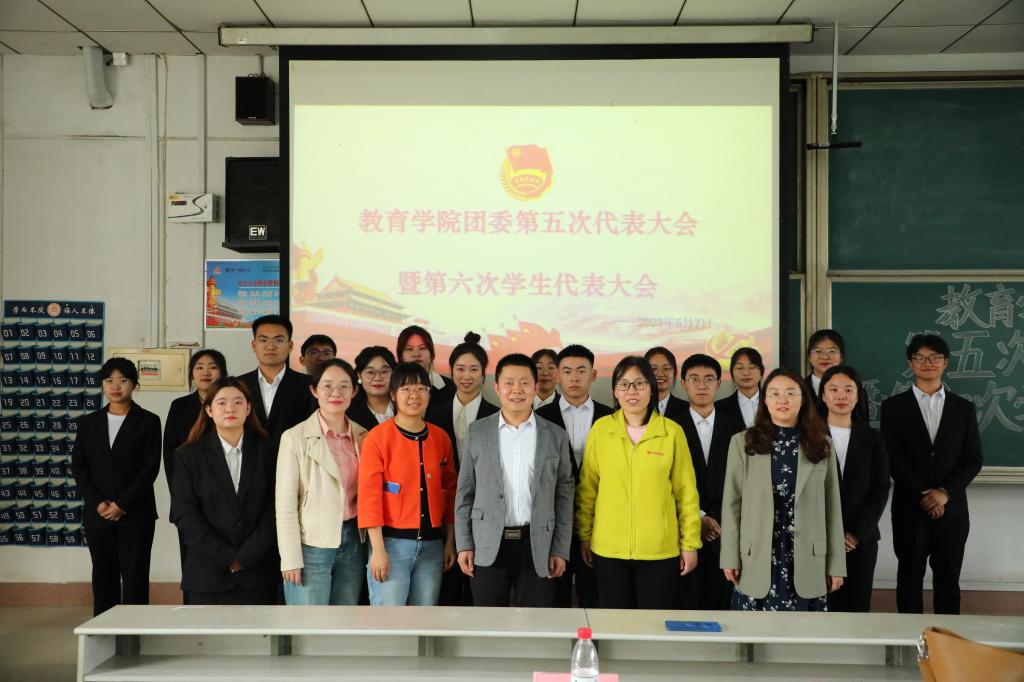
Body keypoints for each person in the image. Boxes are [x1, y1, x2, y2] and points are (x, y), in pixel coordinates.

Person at [576, 356, 701, 609]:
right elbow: (588, 489)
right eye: (624, 384)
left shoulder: (671, 432)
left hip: (659, 551)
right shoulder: (601, 430)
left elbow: (686, 494)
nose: (631, 391)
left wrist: (690, 544)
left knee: (654, 624)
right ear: (615, 391)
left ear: (651, 388)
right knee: (613, 622)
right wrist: (584, 535)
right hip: (608, 549)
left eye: (639, 384)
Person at [454, 353, 575, 607]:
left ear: (536, 387)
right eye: (508, 383)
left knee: (534, 622)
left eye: (524, 383)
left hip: (538, 545)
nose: (516, 390)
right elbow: (465, 492)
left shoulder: (556, 435)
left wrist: (560, 548)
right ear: (497, 387)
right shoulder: (478, 432)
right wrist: (464, 544)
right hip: (487, 543)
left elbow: (564, 496)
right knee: (488, 622)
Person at [720, 368, 846, 612]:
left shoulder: (822, 444)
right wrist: (730, 557)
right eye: (775, 393)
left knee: (805, 631)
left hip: (807, 557)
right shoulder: (743, 442)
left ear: (803, 399)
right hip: (757, 555)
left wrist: (836, 564)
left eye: (790, 393)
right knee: (755, 632)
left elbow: (833, 508)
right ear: (765, 400)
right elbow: (732, 505)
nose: (783, 400)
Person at [881, 334, 982, 615]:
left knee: (948, 581)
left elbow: (973, 459)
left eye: (935, 357)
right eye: (921, 357)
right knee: (909, 579)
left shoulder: (963, 408)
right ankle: (908, 639)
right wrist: (923, 494)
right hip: (909, 508)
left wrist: (944, 493)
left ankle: (946, 640)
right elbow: (891, 457)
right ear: (910, 363)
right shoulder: (893, 407)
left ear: (945, 363)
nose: (928, 362)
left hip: (952, 509)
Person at [358, 362, 457, 605]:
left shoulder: (441, 438)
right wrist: (378, 550)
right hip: (392, 545)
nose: (415, 395)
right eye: (406, 389)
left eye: (421, 388)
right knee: (389, 620)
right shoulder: (377, 438)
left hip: (433, 546)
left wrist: (450, 543)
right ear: (393, 395)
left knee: (424, 619)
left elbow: (452, 493)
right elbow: (370, 498)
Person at [171, 378, 278, 605]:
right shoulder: (189, 456)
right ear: (209, 410)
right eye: (222, 403)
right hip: (207, 575)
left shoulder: (268, 451)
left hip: (258, 573)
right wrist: (227, 557)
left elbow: (275, 509)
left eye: (238, 402)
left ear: (248, 408)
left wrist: (246, 556)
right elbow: (185, 513)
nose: (230, 408)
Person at [71, 357, 161, 616]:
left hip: (136, 514)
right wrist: (97, 503)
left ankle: (133, 632)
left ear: (134, 384)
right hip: (97, 514)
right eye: (109, 380)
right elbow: (79, 467)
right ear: (102, 384)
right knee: (103, 576)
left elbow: (149, 469)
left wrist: (122, 504)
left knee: (135, 577)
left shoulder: (148, 421)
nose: (116, 386)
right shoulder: (88, 423)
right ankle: (104, 630)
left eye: (123, 380)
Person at [277, 359, 368, 605]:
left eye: (344, 386)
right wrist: (290, 558)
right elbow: (285, 505)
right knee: (309, 621)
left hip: (354, 541)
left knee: (345, 618)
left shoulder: (364, 436)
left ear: (354, 391)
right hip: (311, 545)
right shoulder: (294, 438)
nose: (335, 393)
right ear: (314, 390)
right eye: (327, 386)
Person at [535, 344, 613, 608]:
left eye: (582, 371)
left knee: (596, 598)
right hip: (554, 521)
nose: (574, 377)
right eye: (567, 371)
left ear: (594, 375)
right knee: (553, 598)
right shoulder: (540, 418)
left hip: (601, 520)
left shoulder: (611, 417)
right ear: (558, 375)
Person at [425, 332, 499, 606]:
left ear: (484, 373)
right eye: (460, 369)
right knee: (446, 587)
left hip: (483, 509)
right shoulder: (432, 414)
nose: (466, 376)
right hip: (439, 507)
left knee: (480, 584)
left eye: (473, 369)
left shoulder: (497, 416)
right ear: (451, 370)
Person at [819, 365, 890, 613]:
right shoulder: (808, 437)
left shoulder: (873, 439)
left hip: (860, 541)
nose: (841, 395)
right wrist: (829, 535)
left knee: (857, 609)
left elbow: (880, 488)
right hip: (817, 541)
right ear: (823, 395)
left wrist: (855, 533)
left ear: (858, 396)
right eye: (834, 389)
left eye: (849, 390)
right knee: (821, 609)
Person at [676, 353, 745, 610]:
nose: (702, 385)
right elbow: (667, 482)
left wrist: (715, 517)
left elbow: (741, 482)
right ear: (683, 383)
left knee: (720, 605)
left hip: (724, 530)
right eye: (694, 379)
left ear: (719, 383)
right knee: (684, 603)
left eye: (708, 379)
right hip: (682, 530)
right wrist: (699, 517)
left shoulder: (737, 428)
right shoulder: (670, 427)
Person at [162, 348, 227, 602]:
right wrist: (182, 499)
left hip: (226, 499)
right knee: (193, 562)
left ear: (222, 373)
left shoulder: (231, 404)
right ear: (191, 374)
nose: (206, 372)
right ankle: (192, 609)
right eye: (199, 367)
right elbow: (170, 456)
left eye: (213, 367)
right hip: (191, 500)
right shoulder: (180, 407)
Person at [238, 314, 315, 459]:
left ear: (290, 346)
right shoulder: (238, 385)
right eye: (263, 340)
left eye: (278, 340)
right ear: (254, 345)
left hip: (295, 462)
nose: (270, 346)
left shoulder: (309, 385)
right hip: (248, 463)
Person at [397, 324, 455, 404]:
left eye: (422, 348)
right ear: (401, 356)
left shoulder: (451, 388)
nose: (416, 354)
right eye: (409, 349)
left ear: (431, 354)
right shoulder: (392, 385)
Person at [348, 346, 397, 432]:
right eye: (370, 372)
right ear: (359, 375)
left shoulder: (406, 403)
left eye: (384, 372)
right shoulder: (349, 412)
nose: (377, 378)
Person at [715, 347, 764, 428]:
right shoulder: (719, 408)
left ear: (761, 373)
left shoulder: (775, 403)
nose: (746, 373)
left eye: (752, 367)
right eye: (740, 368)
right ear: (732, 374)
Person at [644, 346, 688, 425]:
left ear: (674, 373)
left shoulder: (688, 409)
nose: (660, 374)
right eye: (653, 369)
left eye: (666, 369)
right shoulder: (633, 407)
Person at [806, 329, 845, 396]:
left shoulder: (855, 389)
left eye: (832, 351)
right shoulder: (798, 389)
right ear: (809, 356)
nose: (825, 357)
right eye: (818, 351)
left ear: (841, 357)